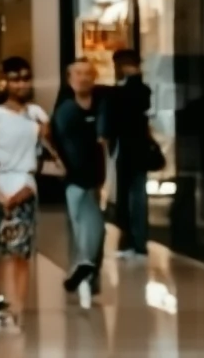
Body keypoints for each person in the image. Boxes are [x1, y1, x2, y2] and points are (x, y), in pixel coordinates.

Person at [0, 57, 55, 334]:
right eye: (15, 78)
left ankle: (17, 310)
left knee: (20, 254)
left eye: (25, 78)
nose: (21, 83)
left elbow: (45, 154)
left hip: (25, 186)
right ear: (5, 81)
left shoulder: (36, 115)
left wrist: (29, 184)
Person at [52, 58, 107, 308]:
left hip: (95, 180)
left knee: (94, 230)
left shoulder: (101, 107)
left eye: (88, 73)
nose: (83, 78)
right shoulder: (67, 110)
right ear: (70, 79)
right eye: (78, 74)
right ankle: (83, 274)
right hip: (77, 180)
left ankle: (87, 275)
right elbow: (71, 149)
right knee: (84, 229)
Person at [103, 48, 152, 258]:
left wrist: (133, 77)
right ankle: (129, 240)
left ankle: (137, 242)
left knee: (135, 196)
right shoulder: (121, 91)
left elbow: (136, 104)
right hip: (126, 150)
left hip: (134, 151)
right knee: (126, 196)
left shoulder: (136, 90)